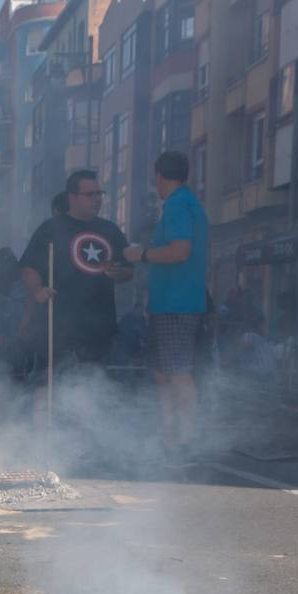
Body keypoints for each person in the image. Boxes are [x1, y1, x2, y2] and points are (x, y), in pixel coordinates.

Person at [125, 151, 210, 456]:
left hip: (178, 302)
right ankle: (169, 435)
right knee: (163, 373)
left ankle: (185, 439)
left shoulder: (177, 204)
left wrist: (142, 254)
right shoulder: (186, 203)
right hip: (169, 303)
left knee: (177, 373)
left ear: (159, 174)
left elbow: (179, 251)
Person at [20, 170, 133, 374]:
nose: (97, 199)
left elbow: (128, 271)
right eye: (90, 194)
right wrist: (38, 290)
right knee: (53, 386)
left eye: (100, 193)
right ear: (72, 197)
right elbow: (29, 267)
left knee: (94, 387)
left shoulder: (110, 230)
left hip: (99, 327)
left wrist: (119, 273)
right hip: (58, 327)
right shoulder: (50, 229)